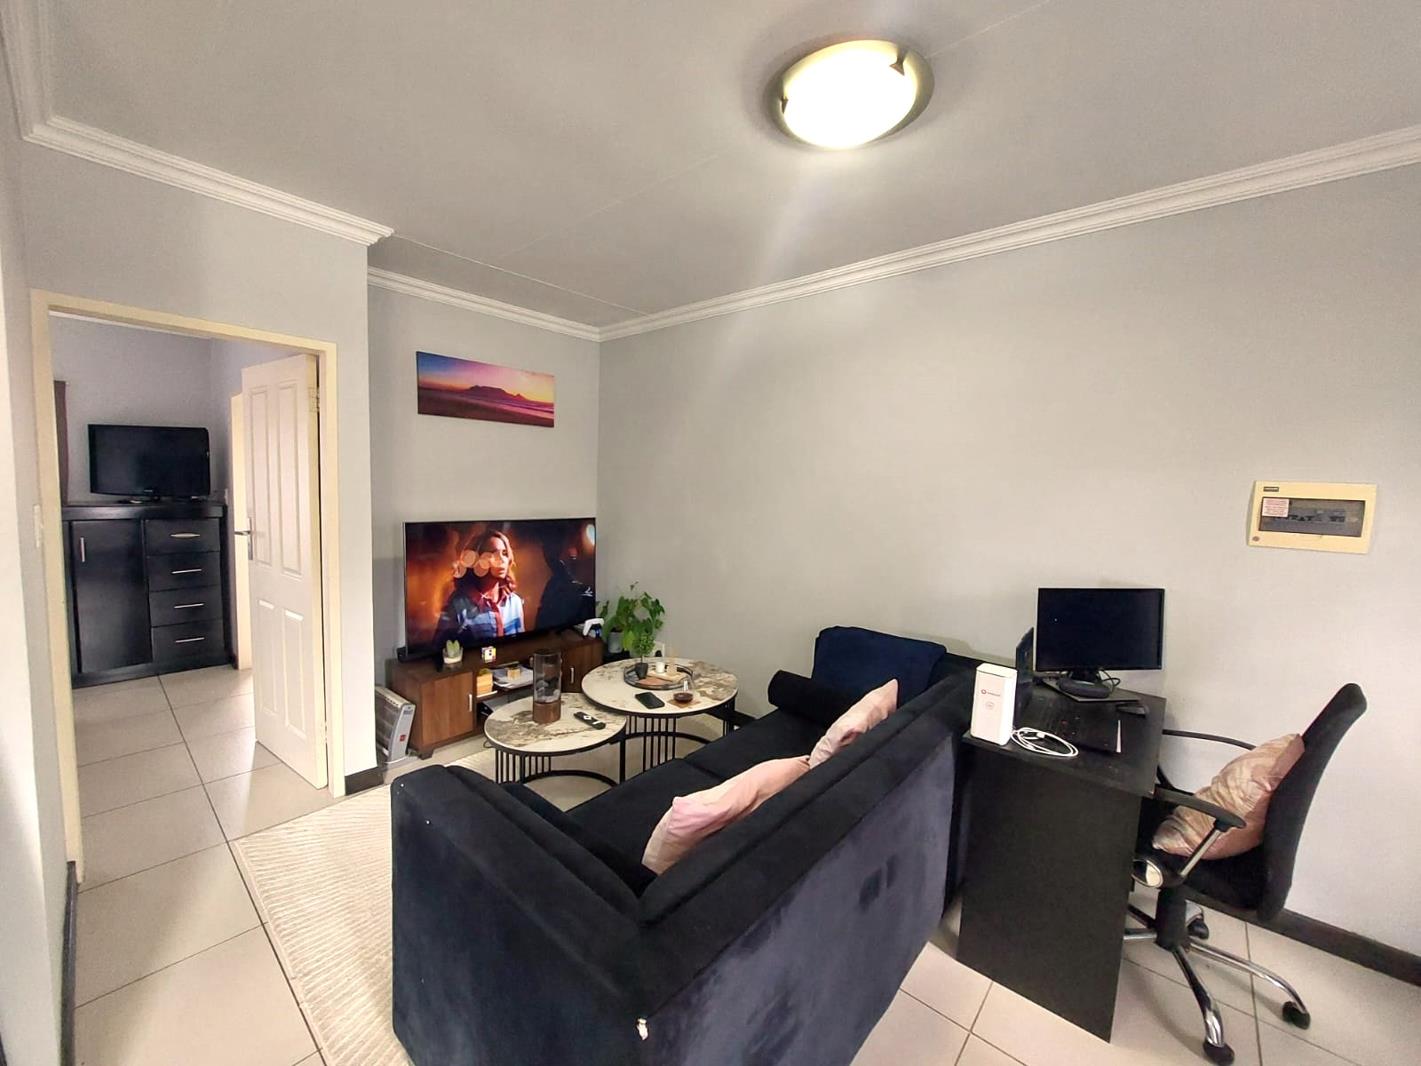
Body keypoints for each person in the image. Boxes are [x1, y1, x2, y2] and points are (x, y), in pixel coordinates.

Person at [433, 530, 525, 644]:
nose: (501, 559)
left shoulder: (514, 602)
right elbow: (441, 649)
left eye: (505, 553)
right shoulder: (458, 606)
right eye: (493, 554)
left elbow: (521, 646)